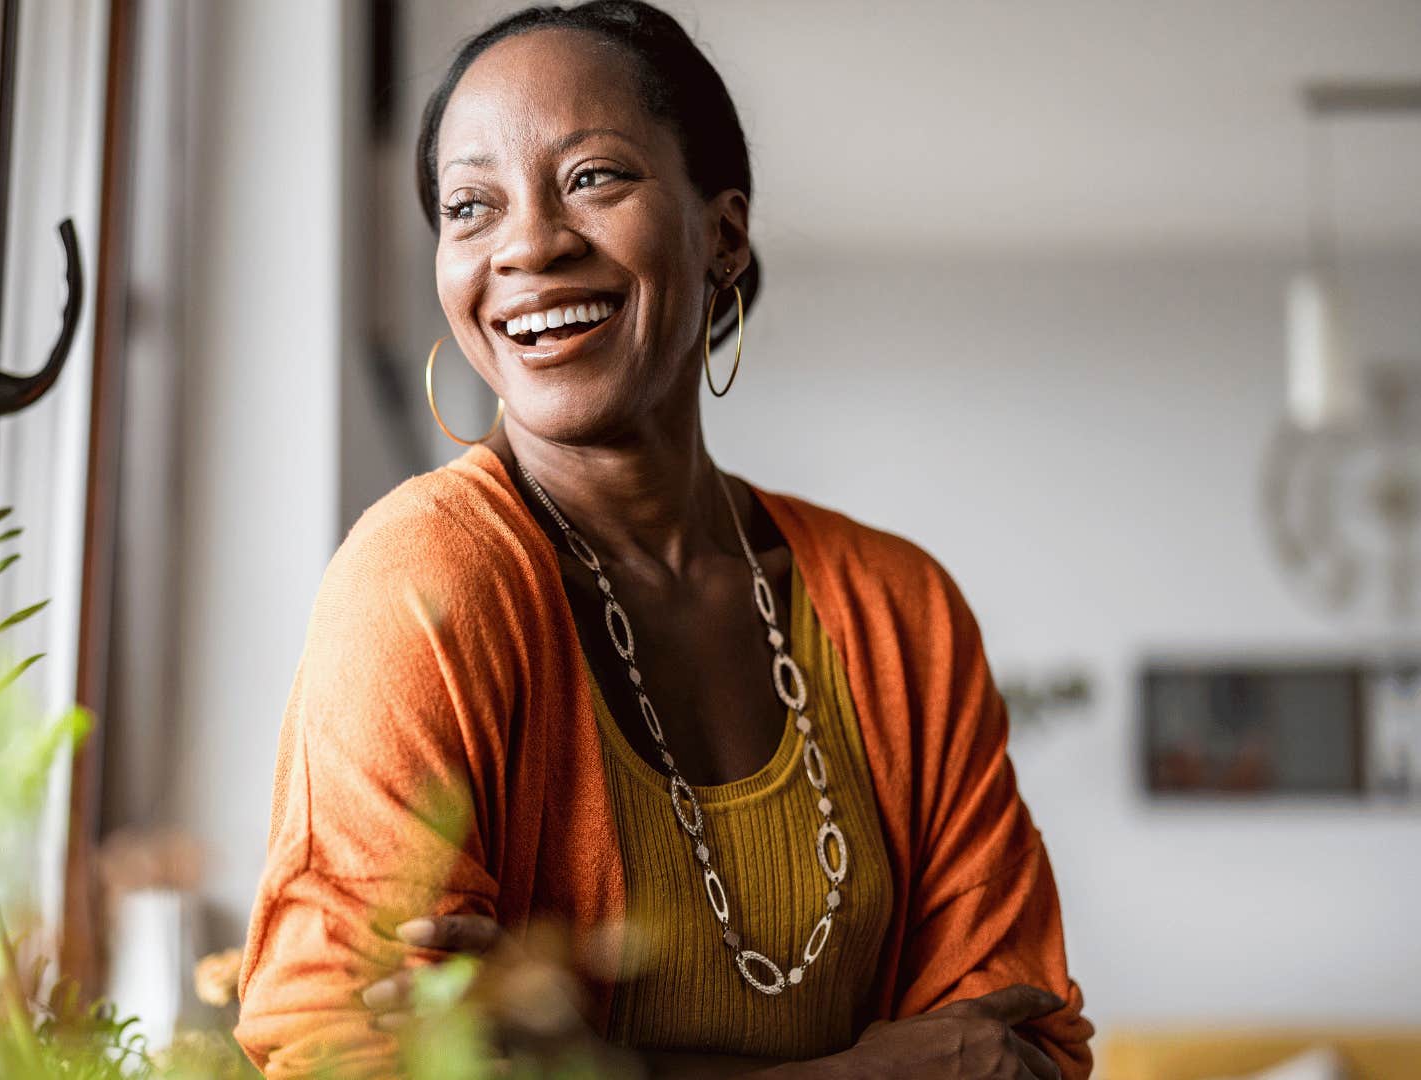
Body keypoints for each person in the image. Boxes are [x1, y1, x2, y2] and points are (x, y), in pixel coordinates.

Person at [235, 3, 1092, 1076]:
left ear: (723, 234)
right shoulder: (425, 579)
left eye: (594, 177)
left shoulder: (897, 608)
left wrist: (576, 1061)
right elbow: (339, 1047)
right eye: (470, 206)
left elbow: (1023, 1051)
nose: (531, 243)